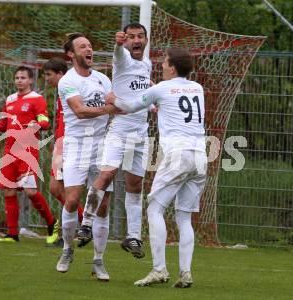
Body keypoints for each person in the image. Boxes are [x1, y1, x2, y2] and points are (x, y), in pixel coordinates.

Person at [108, 48, 207, 288]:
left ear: (172, 68)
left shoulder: (161, 89)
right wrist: (155, 93)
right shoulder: (197, 88)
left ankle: (159, 269)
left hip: (178, 155)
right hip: (201, 155)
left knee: (154, 210)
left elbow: (130, 107)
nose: (161, 66)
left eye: (164, 63)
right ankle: (185, 273)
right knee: (184, 217)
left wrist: (113, 100)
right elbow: (171, 103)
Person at [77, 23, 152, 259]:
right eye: (131, 37)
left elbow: (140, 93)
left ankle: (133, 236)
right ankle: (86, 224)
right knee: (107, 174)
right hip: (119, 131)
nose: (136, 40)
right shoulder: (123, 59)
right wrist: (118, 44)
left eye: (140, 36)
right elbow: (118, 55)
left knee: (135, 185)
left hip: (140, 134)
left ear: (146, 39)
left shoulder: (146, 64)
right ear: (126, 41)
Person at [0, 66, 59, 245]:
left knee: (31, 192)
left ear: (31, 80)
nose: (19, 81)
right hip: (9, 152)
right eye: (17, 77)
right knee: (9, 191)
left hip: (27, 151)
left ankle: (52, 224)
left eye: (23, 78)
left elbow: (44, 121)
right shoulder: (10, 100)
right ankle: (12, 234)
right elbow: (3, 125)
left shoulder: (37, 99)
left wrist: (38, 123)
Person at [55, 33, 116, 281]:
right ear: (72, 54)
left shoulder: (103, 79)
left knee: (103, 205)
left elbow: (117, 101)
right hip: (77, 146)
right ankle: (67, 249)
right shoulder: (67, 81)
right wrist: (109, 108)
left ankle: (98, 261)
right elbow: (79, 111)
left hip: (102, 145)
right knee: (71, 200)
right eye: (83, 46)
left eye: (90, 45)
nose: (89, 49)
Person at [43, 58, 85, 226]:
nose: (46, 78)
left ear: (61, 74)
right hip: (61, 143)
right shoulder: (62, 91)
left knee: (64, 188)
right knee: (55, 188)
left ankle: (83, 223)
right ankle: (84, 222)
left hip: (71, 144)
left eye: (49, 74)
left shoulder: (70, 89)